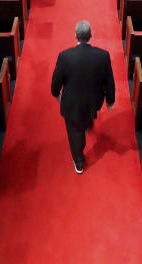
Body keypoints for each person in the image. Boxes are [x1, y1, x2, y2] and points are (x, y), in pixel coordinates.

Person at [50, 20, 115, 173]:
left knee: (75, 132)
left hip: (72, 104)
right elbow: (109, 80)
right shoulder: (103, 55)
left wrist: (56, 94)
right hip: (94, 101)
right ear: (91, 35)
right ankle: (86, 123)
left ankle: (79, 161)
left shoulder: (65, 56)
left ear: (75, 36)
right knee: (84, 119)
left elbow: (55, 83)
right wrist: (110, 100)